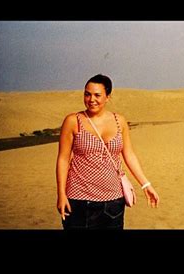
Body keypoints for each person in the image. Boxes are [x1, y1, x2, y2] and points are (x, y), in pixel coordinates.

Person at [56, 74, 160, 229]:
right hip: (79, 201)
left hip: (114, 202)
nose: (91, 100)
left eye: (97, 95)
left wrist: (146, 184)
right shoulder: (73, 121)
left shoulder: (120, 121)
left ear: (108, 97)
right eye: (87, 94)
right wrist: (61, 194)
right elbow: (63, 159)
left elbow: (129, 154)